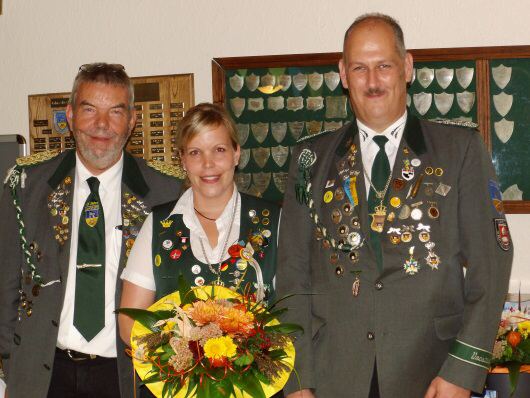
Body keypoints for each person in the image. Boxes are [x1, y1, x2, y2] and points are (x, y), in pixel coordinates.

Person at [276, 13, 514, 398]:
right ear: (343, 73)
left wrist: (463, 369)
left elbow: (491, 263)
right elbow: (291, 275)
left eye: (384, 66)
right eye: (360, 68)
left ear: (406, 67)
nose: (372, 82)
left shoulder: (460, 150)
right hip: (333, 374)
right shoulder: (309, 161)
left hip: (432, 372)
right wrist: (296, 380)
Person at [0, 62, 183, 398]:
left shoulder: (168, 192)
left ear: (131, 122)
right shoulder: (26, 185)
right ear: (69, 116)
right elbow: (5, 287)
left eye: (115, 112)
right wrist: (14, 369)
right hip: (43, 374)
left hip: (127, 375)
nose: (102, 125)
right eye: (89, 110)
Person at [118, 103, 281, 396]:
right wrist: (180, 358)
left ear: (236, 154)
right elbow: (129, 321)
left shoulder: (276, 221)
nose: (208, 164)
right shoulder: (158, 224)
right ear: (182, 160)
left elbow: (295, 317)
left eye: (219, 150)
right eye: (195, 152)